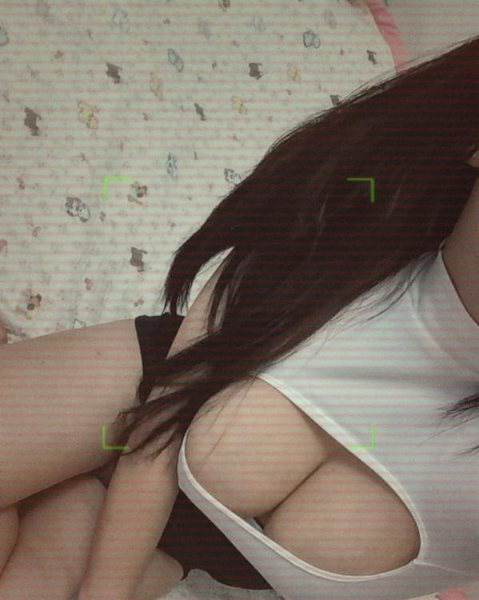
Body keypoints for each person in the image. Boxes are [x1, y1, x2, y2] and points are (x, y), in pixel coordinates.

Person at [2, 31, 479, 600]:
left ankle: (62, 494)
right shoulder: (362, 211)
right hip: (156, 383)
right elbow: (165, 416)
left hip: (186, 544)